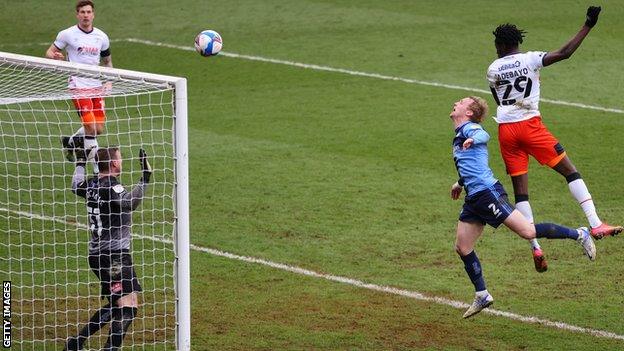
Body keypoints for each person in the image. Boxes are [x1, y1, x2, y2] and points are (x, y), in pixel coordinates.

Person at [487, 6, 621, 273]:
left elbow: (498, 99)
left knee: (521, 191)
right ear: (516, 43)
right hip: (530, 126)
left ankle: (535, 246)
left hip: (506, 131)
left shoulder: (492, 69)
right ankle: (595, 223)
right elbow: (565, 53)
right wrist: (588, 25)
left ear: (501, 45)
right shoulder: (530, 59)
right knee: (570, 172)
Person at [449, 96, 595, 319]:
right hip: (474, 197)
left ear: (469, 113)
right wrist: (460, 182)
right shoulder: (460, 132)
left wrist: (473, 140)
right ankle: (482, 294)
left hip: (488, 194)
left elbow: (483, 135)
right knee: (462, 246)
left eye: (461, 102)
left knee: (527, 231)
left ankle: (579, 233)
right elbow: (471, 164)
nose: (456, 103)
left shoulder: (471, 129)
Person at [64, 144, 152, 350]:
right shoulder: (112, 187)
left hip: (96, 255)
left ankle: (76, 343)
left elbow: (75, 185)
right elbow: (130, 202)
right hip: (115, 258)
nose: (121, 161)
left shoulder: (91, 184)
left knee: (116, 303)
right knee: (129, 306)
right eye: (120, 158)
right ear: (113, 163)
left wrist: (79, 162)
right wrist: (145, 176)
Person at [46, 0, 112, 173]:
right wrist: (56, 57)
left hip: (96, 86)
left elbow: (108, 62)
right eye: (82, 12)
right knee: (90, 128)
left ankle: (71, 141)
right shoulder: (67, 34)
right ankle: (98, 172)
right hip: (77, 85)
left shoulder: (101, 37)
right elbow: (49, 52)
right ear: (77, 14)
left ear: (93, 14)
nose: (85, 15)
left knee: (99, 129)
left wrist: (109, 80)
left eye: (88, 12)